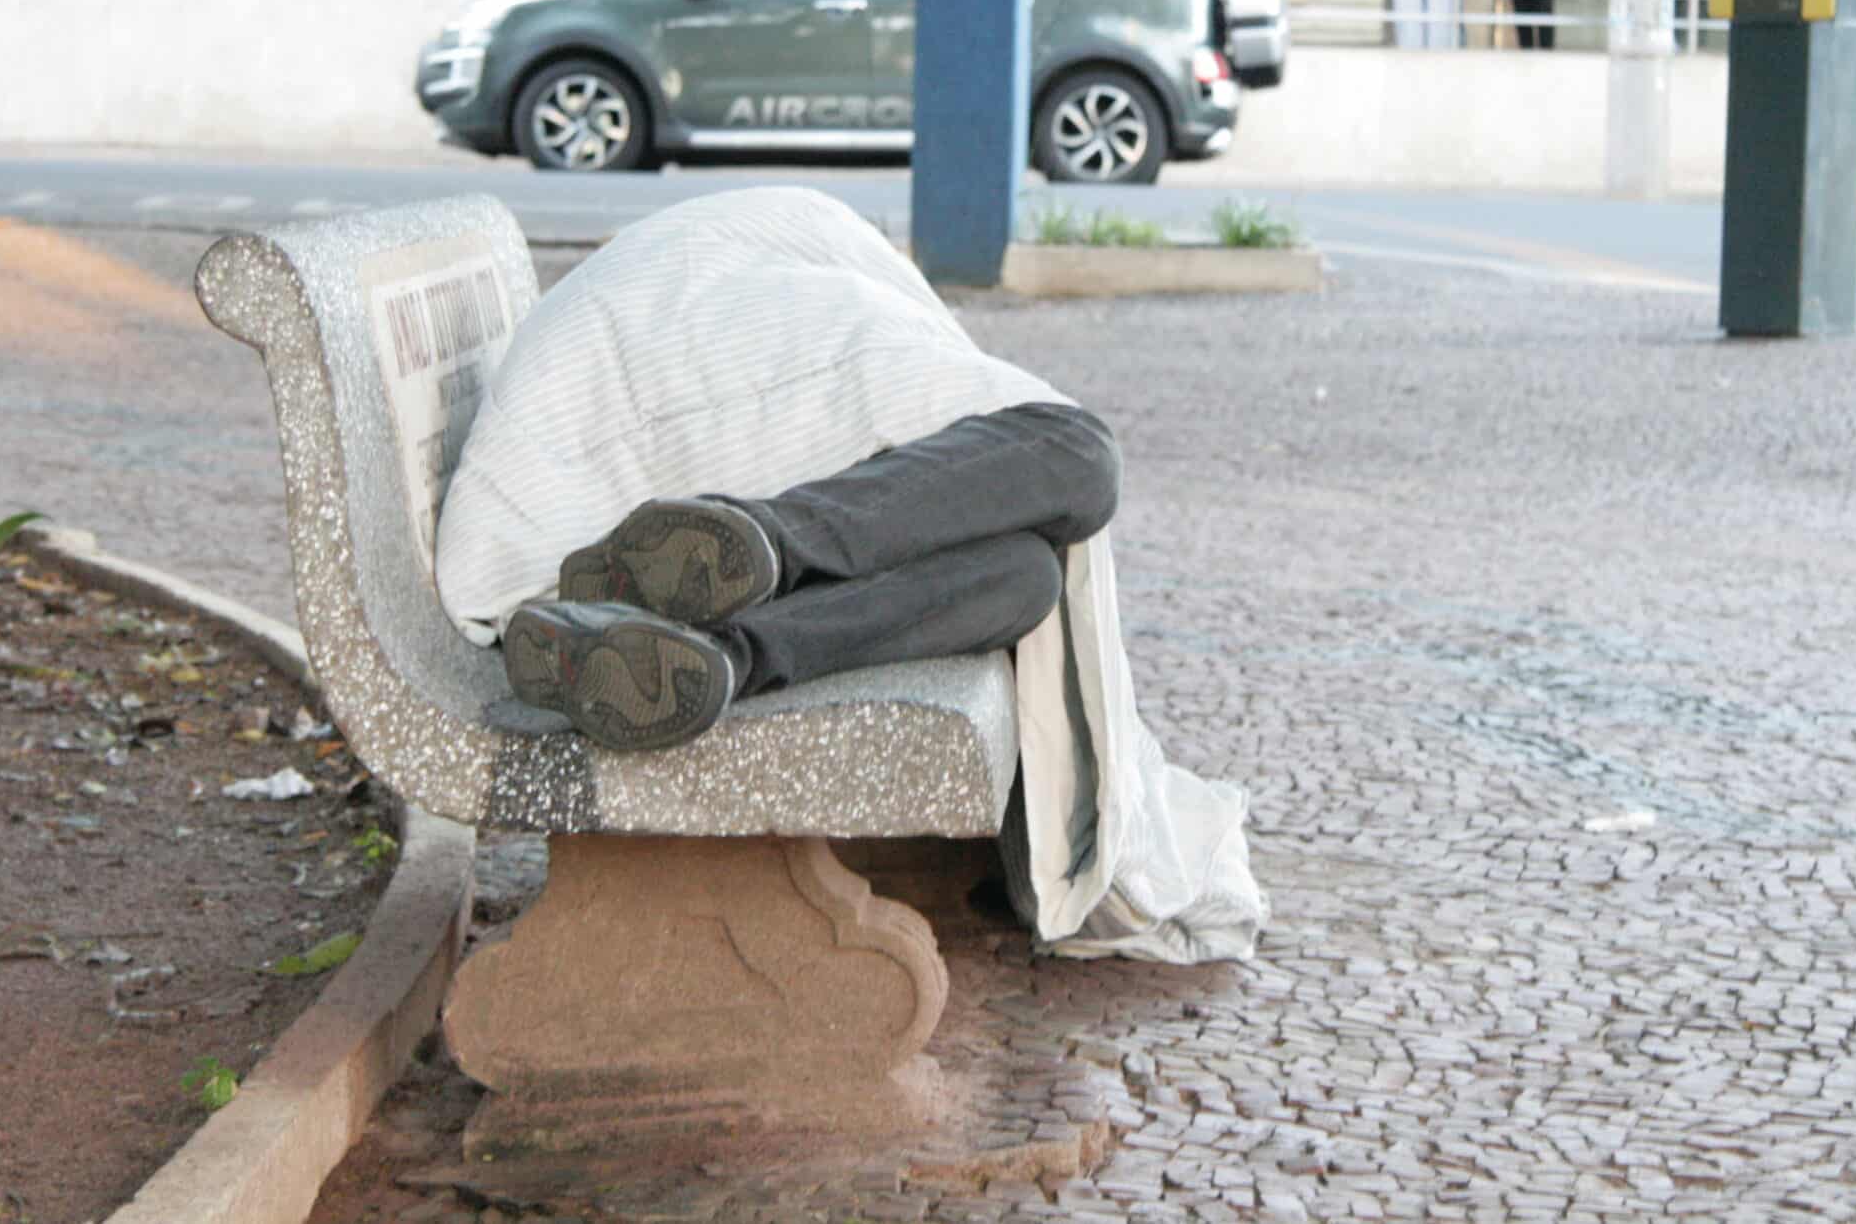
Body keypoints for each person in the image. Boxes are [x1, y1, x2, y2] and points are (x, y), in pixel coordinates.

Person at [435, 187, 1265, 964]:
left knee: (1025, 582)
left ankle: (720, 648)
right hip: (612, 431)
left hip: (601, 473)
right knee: (1080, 454)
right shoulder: (791, 259)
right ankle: (764, 542)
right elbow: (843, 336)